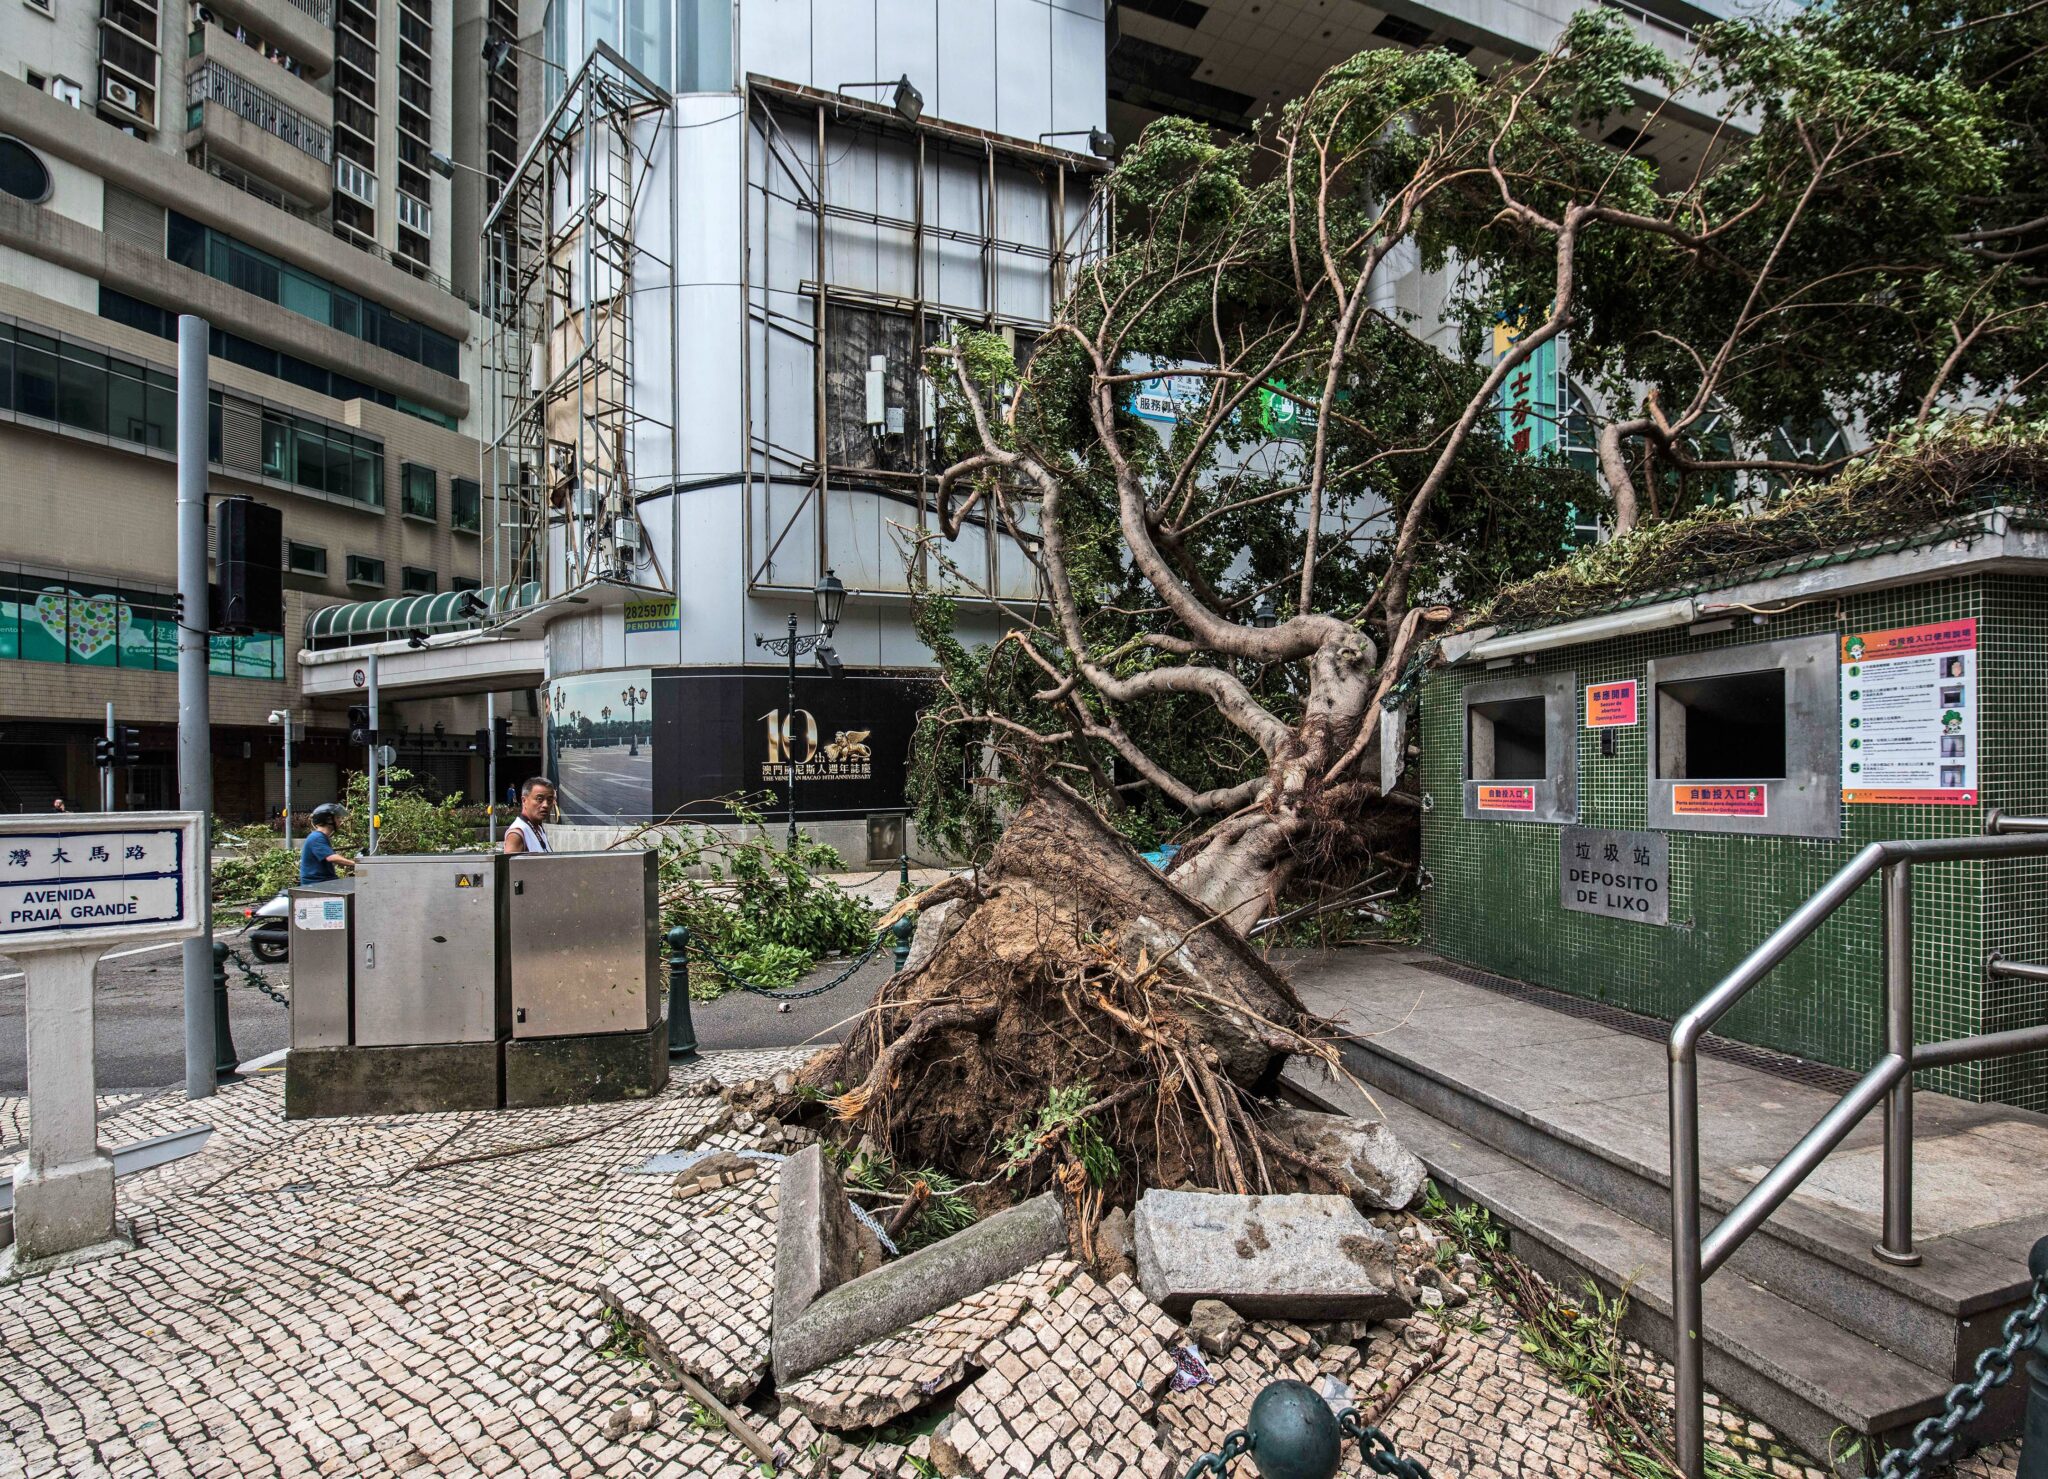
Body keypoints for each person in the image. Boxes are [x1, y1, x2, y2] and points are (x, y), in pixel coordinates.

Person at [300, 803, 357, 884]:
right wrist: (355, 863)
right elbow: (331, 857)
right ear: (329, 820)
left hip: (326, 882)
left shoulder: (321, 836)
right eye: (337, 818)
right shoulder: (316, 837)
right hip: (316, 885)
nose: (340, 820)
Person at [503, 776, 555, 853]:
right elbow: (510, 865)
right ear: (524, 801)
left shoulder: (538, 828)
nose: (545, 805)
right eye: (539, 799)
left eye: (549, 800)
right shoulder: (516, 835)